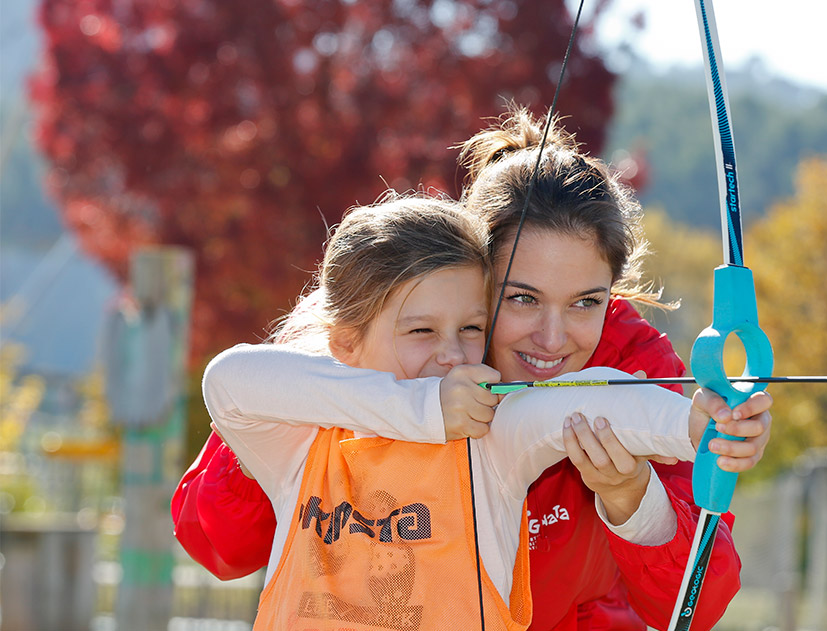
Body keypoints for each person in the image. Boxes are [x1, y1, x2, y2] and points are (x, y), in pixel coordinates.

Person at [173, 108, 773, 630]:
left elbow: (694, 603)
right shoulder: (369, 348)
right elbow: (218, 543)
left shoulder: (625, 360)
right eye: (520, 298)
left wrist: (670, 458)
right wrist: (368, 394)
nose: (553, 338)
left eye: (587, 301)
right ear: (472, 276)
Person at [208, 195, 710, 629]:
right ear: (346, 343)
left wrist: (701, 426)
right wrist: (423, 409)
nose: (452, 355)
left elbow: (584, 402)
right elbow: (228, 382)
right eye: (422, 331)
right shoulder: (302, 445)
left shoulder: (491, 436)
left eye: (471, 330)